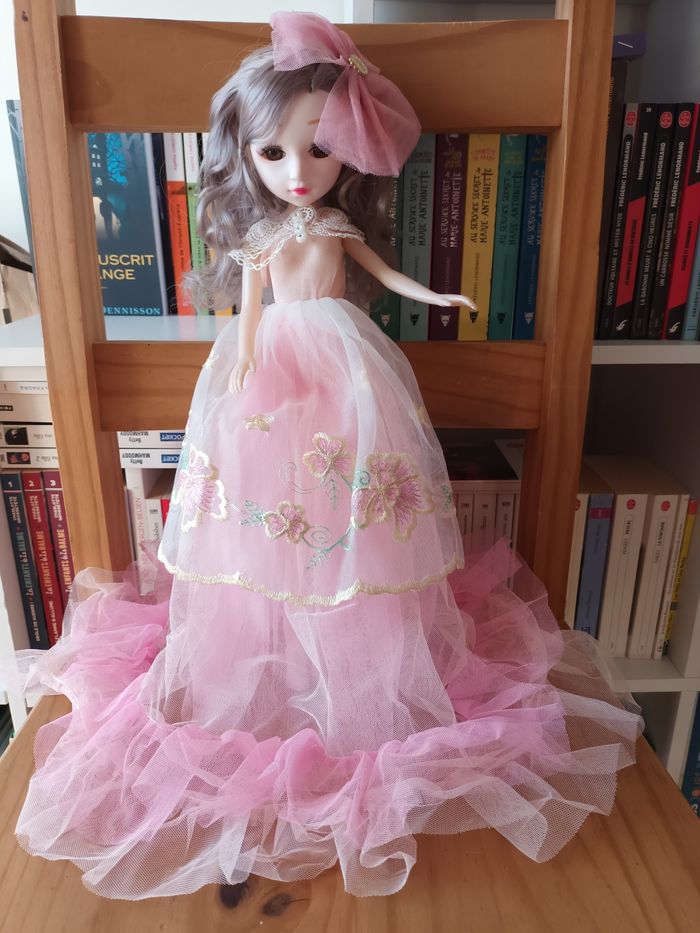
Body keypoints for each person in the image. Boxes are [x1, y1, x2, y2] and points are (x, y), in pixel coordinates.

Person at [0, 11, 642, 901]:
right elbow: (249, 314)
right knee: (269, 515)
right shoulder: (262, 240)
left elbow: (384, 275)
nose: (297, 171)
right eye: (273, 154)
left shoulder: (337, 227)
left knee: (354, 505)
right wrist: (242, 367)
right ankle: (278, 657)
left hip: (347, 372)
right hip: (273, 376)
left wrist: (438, 294)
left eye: (318, 148)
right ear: (246, 157)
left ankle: (360, 668)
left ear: (351, 150)